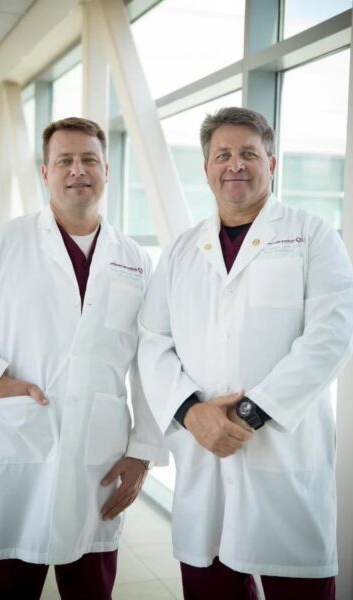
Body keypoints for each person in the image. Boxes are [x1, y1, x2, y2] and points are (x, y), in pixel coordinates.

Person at [138, 106, 353, 600]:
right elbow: (153, 340)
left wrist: (249, 415)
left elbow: (330, 336)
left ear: (271, 164)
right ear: (207, 168)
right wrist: (191, 413)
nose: (235, 165)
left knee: (298, 587)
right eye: (223, 155)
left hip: (282, 457)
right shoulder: (180, 251)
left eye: (248, 154)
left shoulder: (312, 236)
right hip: (203, 460)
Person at [0, 116, 167, 600]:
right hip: (20, 445)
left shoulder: (136, 259)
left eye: (89, 159)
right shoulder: (2, 243)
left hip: (101, 459)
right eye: (65, 160)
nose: (77, 170)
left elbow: (149, 359)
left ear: (107, 170)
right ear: (44, 172)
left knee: (90, 587)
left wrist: (143, 451)